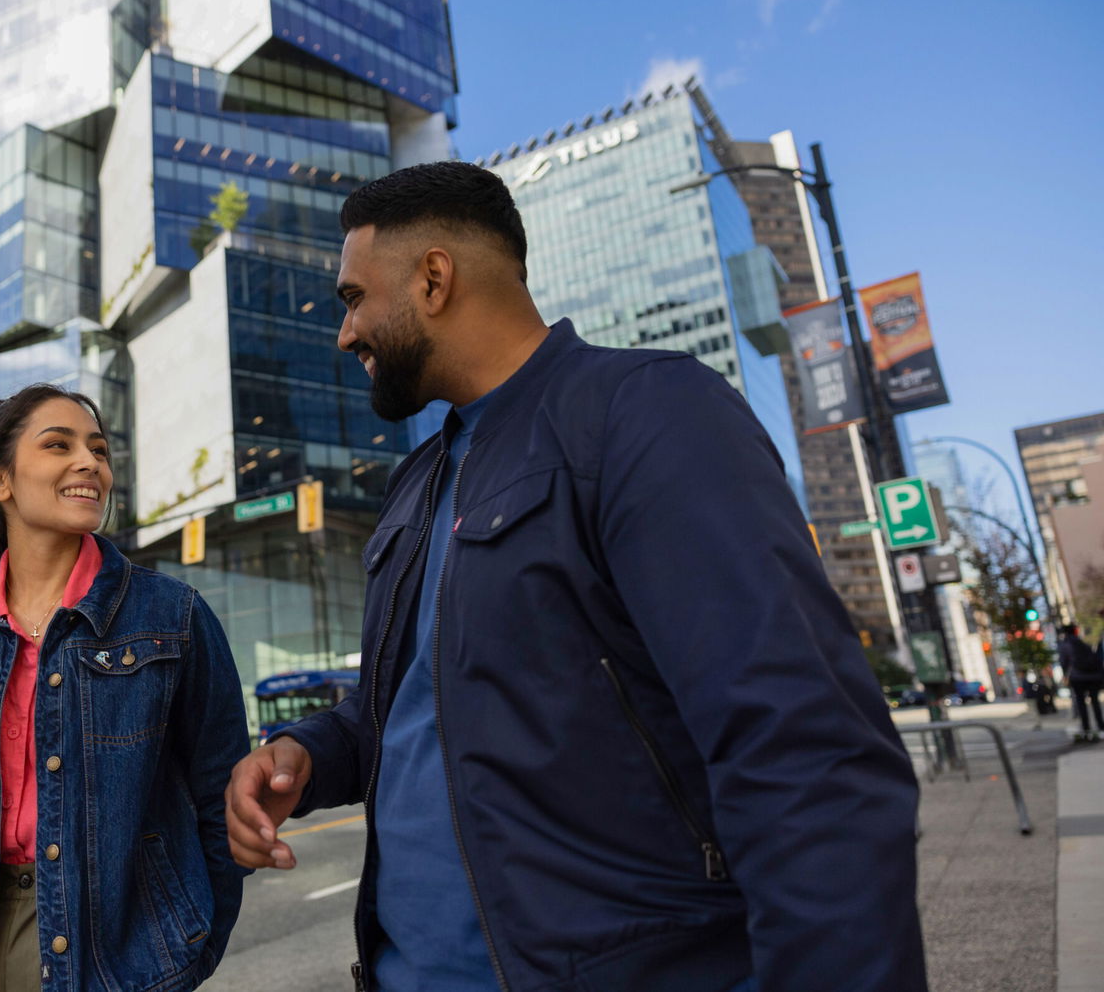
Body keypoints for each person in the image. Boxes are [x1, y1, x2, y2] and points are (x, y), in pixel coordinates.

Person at [223, 161, 927, 991]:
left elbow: (803, 754)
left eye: (352, 299)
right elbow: (410, 705)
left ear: (434, 277)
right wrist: (305, 752)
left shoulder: (646, 414)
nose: (345, 334)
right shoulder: (414, 486)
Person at [0, 384, 249, 992]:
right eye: (58, 445)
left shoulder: (172, 617)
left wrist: (190, 947)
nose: (90, 464)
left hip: (123, 961)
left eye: (99, 450)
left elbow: (222, 800)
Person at [1059, 623, 1104, 742]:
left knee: (1081, 704)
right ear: (1075, 631)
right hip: (1093, 677)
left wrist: (1065, 676)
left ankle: (1087, 728)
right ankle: (1101, 726)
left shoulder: (1065, 645)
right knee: (1095, 701)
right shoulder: (1081, 642)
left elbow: (1064, 662)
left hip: (1078, 677)